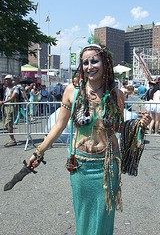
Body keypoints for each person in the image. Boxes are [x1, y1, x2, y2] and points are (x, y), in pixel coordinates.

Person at [28, 43, 151, 235]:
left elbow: (118, 127)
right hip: (81, 166)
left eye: (95, 61)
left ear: (105, 63)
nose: (89, 66)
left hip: (107, 166)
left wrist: (138, 126)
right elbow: (59, 126)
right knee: (83, 216)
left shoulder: (117, 95)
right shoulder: (72, 91)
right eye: (85, 62)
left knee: (103, 218)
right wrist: (38, 152)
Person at [0, 74, 19, 146]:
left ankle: (12, 140)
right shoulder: (5, 88)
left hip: (11, 107)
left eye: (8, 79)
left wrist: (4, 102)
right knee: (6, 124)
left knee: (9, 123)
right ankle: (11, 138)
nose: (6, 81)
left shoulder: (15, 88)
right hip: (5, 107)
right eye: (5, 79)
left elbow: (13, 96)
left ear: (11, 80)